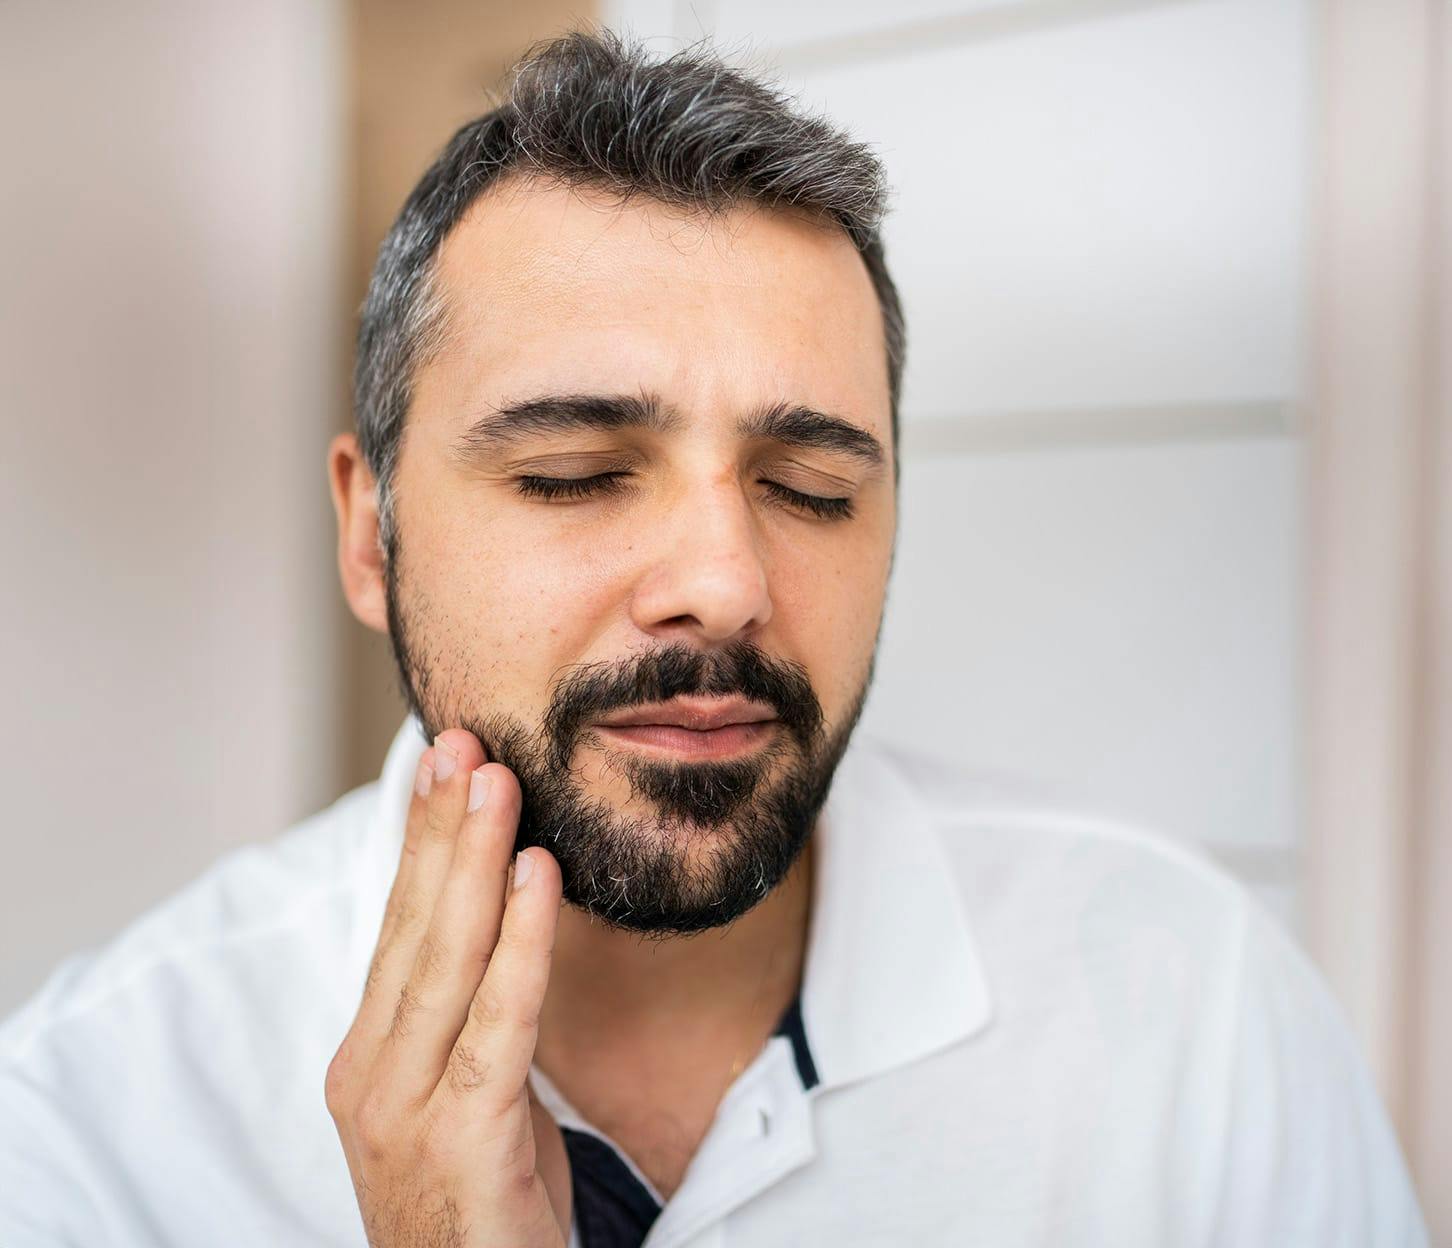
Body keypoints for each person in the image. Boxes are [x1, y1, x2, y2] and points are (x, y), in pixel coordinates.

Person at [0, 29, 1428, 1248]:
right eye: (573, 472)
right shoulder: (93, 1130)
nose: (726, 583)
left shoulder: (1193, 1021)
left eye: (810, 491)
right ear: (371, 535)